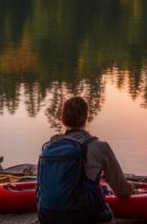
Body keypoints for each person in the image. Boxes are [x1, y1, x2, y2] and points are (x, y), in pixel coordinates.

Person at [36, 96, 137, 224]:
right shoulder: (99, 146)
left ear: (63, 119)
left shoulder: (50, 146)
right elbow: (122, 191)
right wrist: (132, 188)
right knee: (107, 213)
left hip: (46, 215)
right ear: (85, 119)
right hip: (82, 216)